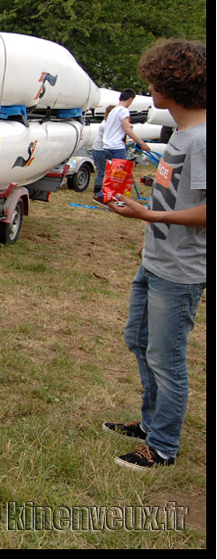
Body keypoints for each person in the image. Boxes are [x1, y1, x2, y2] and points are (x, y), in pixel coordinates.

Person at [101, 40, 206, 471]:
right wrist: (147, 220)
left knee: (167, 357)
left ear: (173, 84)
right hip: (156, 259)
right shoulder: (183, 134)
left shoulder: (202, 139)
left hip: (180, 272)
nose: (148, 86)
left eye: (154, 79)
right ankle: (149, 424)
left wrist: (147, 213)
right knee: (139, 341)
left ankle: (162, 447)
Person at [92, 88, 150, 205]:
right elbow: (126, 129)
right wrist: (141, 143)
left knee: (111, 174)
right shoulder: (123, 111)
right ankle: (105, 196)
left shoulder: (113, 111)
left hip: (107, 146)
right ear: (130, 99)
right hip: (116, 147)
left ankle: (107, 196)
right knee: (120, 175)